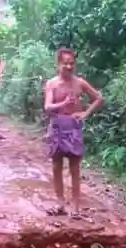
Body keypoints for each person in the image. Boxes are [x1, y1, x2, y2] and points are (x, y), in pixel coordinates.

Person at [43, 48, 103, 219]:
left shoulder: (80, 83)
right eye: (65, 63)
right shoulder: (52, 84)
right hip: (57, 125)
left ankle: (76, 207)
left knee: (75, 168)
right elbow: (47, 107)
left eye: (72, 63)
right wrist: (63, 102)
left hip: (74, 126)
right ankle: (60, 203)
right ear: (58, 64)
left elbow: (99, 98)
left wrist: (85, 113)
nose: (69, 66)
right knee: (56, 167)